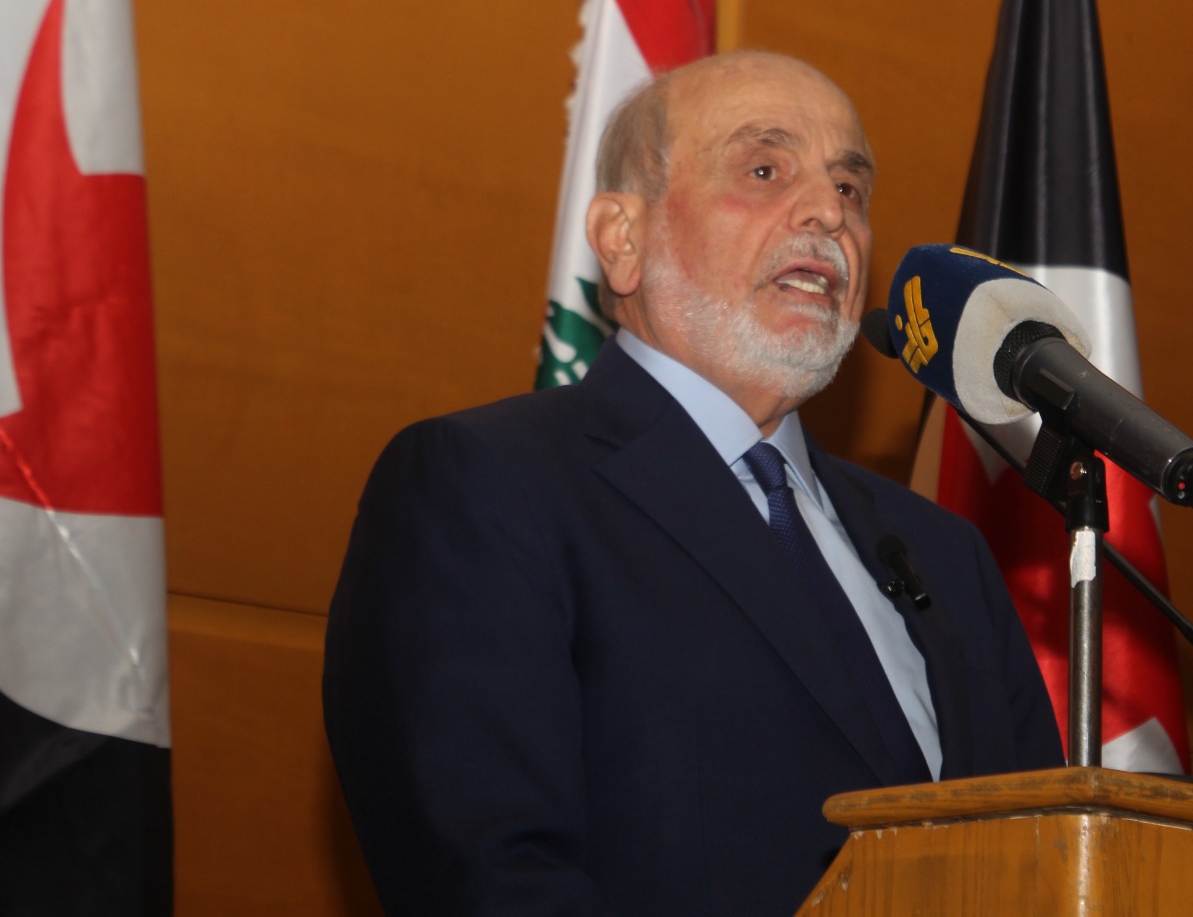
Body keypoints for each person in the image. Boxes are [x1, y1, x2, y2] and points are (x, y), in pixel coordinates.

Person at [322, 51, 1063, 916]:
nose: (829, 213)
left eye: (849, 189)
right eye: (764, 170)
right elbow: (491, 877)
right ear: (623, 240)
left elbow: (1043, 865)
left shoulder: (944, 551)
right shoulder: (486, 485)